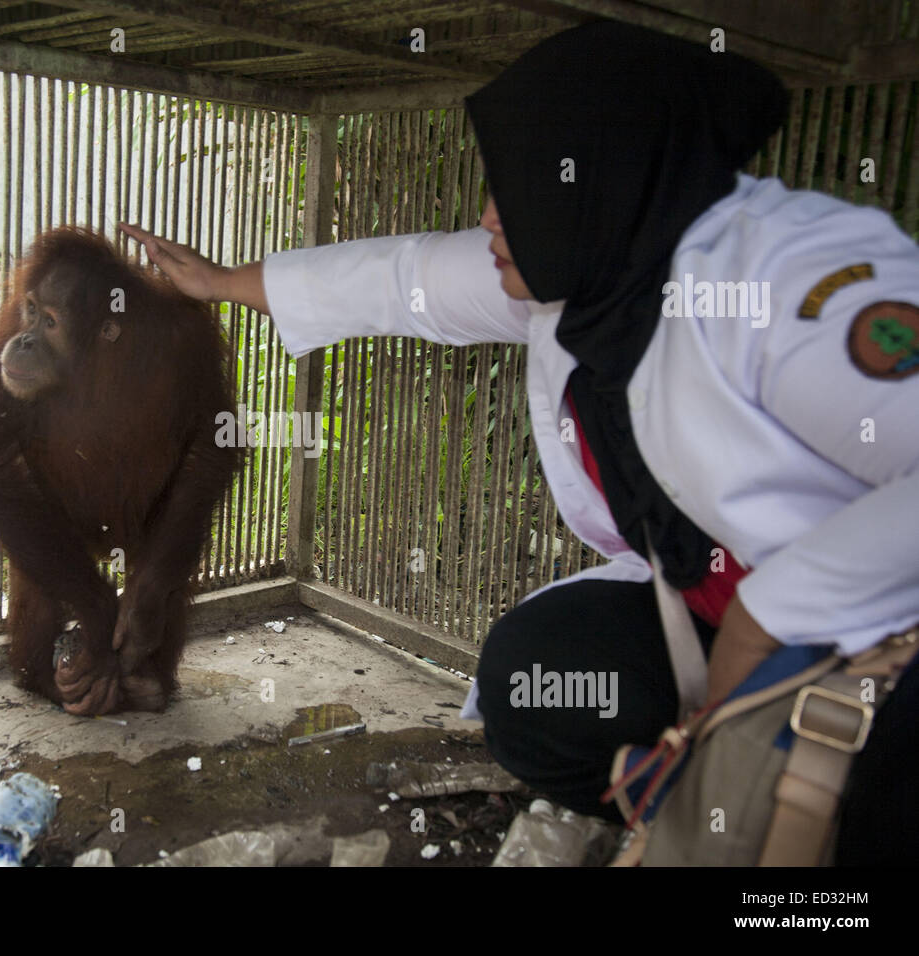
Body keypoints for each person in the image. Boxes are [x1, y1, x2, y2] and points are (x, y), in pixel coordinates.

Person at [120, 20, 919, 864]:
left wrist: (775, 611)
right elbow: (407, 280)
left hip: (878, 632)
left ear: (599, 180)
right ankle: (707, 806)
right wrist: (217, 283)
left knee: (879, 803)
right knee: (536, 684)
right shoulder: (592, 261)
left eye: (518, 185)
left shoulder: (792, 281)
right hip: (707, 618)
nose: (488, 216)